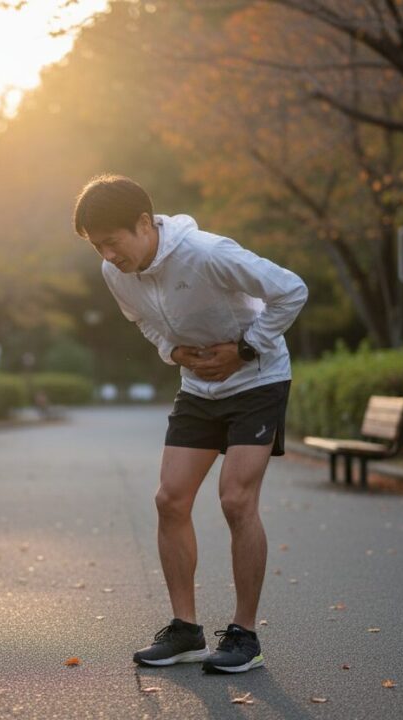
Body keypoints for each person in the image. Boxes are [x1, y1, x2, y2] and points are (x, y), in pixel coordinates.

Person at [72, 175, 307, 674]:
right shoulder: (116, 273)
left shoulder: (207, 252)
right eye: (99, 247)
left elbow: (291, 290)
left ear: (143, 223)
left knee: (236, 499)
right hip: (199, 387)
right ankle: (186, 631)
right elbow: (143, 321)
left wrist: (245, 348)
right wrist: (171, 350)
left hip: (258, 381)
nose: (109, 256)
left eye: (113, 242)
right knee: (169, 499)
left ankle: (244, 636)